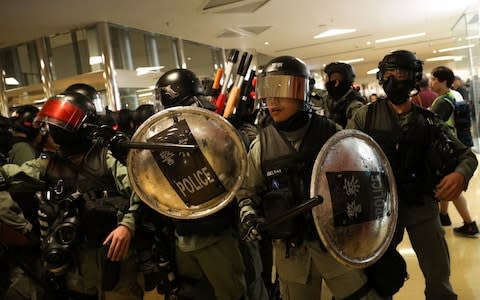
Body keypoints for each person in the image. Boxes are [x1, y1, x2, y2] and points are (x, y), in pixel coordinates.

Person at [236, 55, 384, 300]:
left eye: (282, 90)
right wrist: (248, 213)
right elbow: (247, 191)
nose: (273, 100)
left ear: (302, 91)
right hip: (291, 253)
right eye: (268, 92)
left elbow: (364, 188)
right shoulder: (261, 146)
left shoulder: (334, 137)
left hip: (338, 246)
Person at [347, 50, 478, 299]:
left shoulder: (428, 121)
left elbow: (467, 156)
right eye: (390, 74)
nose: (396, 79)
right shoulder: (364, 117)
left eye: (402, 73)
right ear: (382, 77)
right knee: (379, 279)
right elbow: (343, 158)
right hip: (380, 213)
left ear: (414, 77)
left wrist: (459, 175)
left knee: (439, 275)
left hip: (422, 208)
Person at [1, 92, 143, 300]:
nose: (54, 131)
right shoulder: (49, 163)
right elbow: (13, 174)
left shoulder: (107, 157)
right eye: (54, 125)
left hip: (112, 255)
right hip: (74, 259)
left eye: (61, 125)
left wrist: (127, 226)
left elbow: (140, 191)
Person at [151, 68, 251, 300]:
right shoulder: (168, 132)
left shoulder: (214, 126)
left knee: (233, 293)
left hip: (218, 229)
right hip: (184, 231)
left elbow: (237, 164)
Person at [429, 66, 479, 237]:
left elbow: (432, 126)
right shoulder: (455, 95)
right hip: (459, 146)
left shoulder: (442, 101)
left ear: (443, 81)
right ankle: (444, 216)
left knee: (451, 188)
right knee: (445, 184)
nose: (431, 82)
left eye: (434, 79)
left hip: (449, 150)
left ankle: (469, 223)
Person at [323, 61, 366, 128]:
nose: (325, 83)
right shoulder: (333, 100)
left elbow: (351, 135)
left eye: (326, 79)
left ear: (336, 83)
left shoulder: (354, 106)